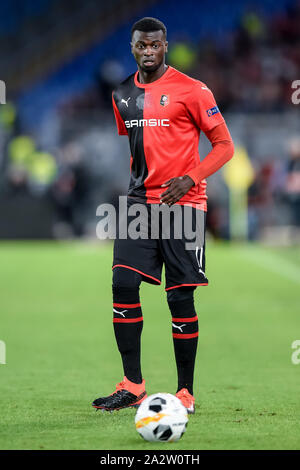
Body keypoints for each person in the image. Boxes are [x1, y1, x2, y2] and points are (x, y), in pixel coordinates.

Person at [92, 17, 234, 414]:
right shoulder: (121, 94)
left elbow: (224, 145)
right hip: (139, 203)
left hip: (183, 204)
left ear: (165, 46)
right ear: (133, 47)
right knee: (122, 283)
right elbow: (139, 150)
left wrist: (190, 178)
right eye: (142, 45)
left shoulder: (193, 89)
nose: (148, 50)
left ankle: (184, 392)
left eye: (155, 44)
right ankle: (132, 384)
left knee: (180, 297)